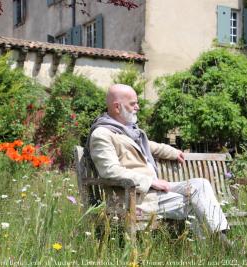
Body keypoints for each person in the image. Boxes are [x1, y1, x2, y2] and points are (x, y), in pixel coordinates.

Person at [86, 84, 230, 244]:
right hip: (135, 197)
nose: (138, 107)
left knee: (200, 185)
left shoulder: (128, 131)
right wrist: (152, 182)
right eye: (133, 104)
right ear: (117, 107)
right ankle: (220, 246)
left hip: (154, 192)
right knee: (196, 204)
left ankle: (219, 242)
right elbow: (109, 171)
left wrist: (174, 153)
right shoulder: (102, 134)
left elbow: (151, 146)